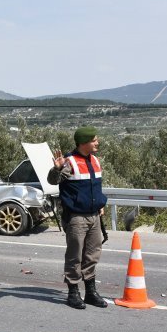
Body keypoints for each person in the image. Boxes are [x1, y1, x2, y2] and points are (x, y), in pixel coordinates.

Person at [48, 126, 109, 310]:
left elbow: (95, 187)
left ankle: (90, 292)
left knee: (92, 255)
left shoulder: (95, 160)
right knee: (75, 256)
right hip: (76, 218)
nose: (97, 142)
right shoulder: (69, 162)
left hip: (94, 216)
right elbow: (52, 180)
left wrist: (100, 205)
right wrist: (56, 169)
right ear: (84, 142)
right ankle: (73, 293)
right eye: (94, 140)